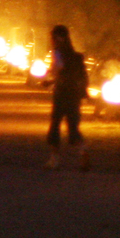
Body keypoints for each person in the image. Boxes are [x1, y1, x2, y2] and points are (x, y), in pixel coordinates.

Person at [43, 24, 90, 169]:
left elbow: (58, 72)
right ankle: (83, 151)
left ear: (57, 38)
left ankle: (54, 160)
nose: (51, 40)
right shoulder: (74, 55)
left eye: (52, 38)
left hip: (61, 93)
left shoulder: (57, 52)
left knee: (55, 125)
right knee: (73, 126)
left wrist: (48, 81)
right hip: (74, 94)